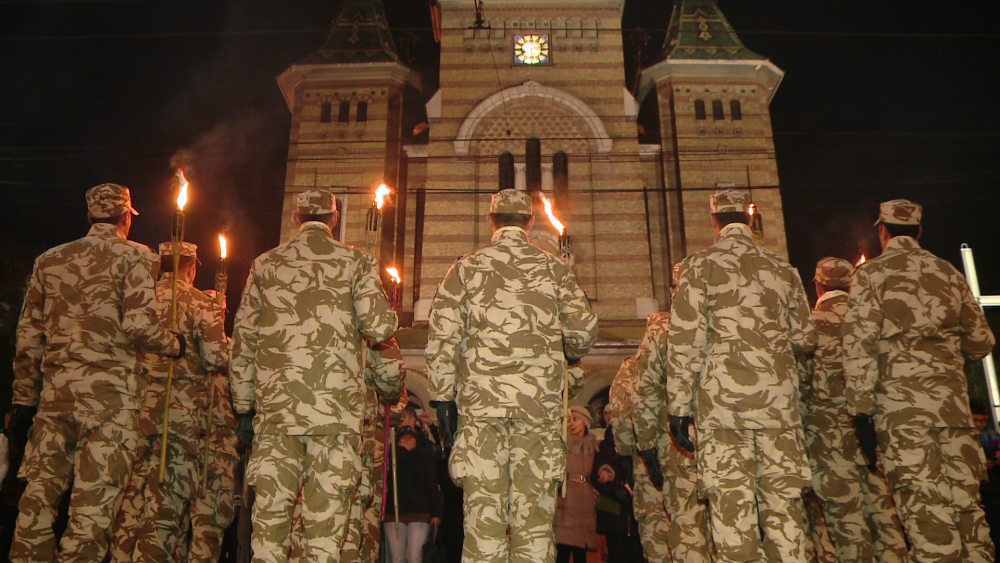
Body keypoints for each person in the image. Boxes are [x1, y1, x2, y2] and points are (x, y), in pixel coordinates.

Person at [8, 183, 186, 563]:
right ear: (126, 218)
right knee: (92, 512)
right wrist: (175, 344)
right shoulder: (137, 257)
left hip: (56, 399)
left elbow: (28, 337)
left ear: (89, 217)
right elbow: (138, 325)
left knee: (37, 501)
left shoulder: (49, 260)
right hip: (109, 402)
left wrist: (24, 399)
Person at [426, 188, 598, 563]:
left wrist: (442, 399)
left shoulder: (465, 269)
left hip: (481, 412)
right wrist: (560, 353)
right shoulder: (554, 268)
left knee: (484, 525)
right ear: (530, 222)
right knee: (534, 526)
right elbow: (583, 332)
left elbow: (442, 339)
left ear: (491, 221)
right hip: (538, 412)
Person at [229, 188, 399, 563]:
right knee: (324, 537)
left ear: (296, 218)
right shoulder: (355, 262)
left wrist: (243, 408)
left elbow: (243, 341)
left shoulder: (265, 265)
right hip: (334, 418)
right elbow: (380, 328)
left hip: (276, 417)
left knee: (270, 534)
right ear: (334, 219)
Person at [666, 189, 817, 563]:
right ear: (749, 221)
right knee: (786, 513)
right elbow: (806, 337)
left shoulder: (698, 266)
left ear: (714, 222)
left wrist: (678, 407)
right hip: (778, 412)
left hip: (723, 412)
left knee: (733, 512)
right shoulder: (783, 269)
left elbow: (685, 342)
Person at [844, 198, 996, 563]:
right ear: (920, 231)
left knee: (926, 514)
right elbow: (981, 341)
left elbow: (859, 349)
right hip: (954, 415)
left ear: (882, 232)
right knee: (968, 513)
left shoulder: (870, 276)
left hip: (904, 417)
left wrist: (861, 413)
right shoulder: (947, 273)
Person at [111, 242, 229, 563]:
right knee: (163, 509)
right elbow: (217, 358)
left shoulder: (138, 299)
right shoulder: (198, 302)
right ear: (191, 268)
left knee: (129, 503)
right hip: (176, 419)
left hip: (135, 413)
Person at [799, 256, 908, 563]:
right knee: (886, 519)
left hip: (827, 440)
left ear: (818, 285)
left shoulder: (809, 325)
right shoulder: (876, 321)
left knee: (846, 525)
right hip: (876, 436)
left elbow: (798, 387)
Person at [631, 261, 711, 563]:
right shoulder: (724, 318)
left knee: (688, 526)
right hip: (728, 437)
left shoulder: (662, 328)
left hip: (678, 446)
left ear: (673, 290)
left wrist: (646, 444)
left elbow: (645, 392)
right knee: (734, 524)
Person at [340, 338, 405, 563]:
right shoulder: (376, 333)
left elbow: (396, 408)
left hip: (363, 445)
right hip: (366, 449)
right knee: (363, 512)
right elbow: (395, 400)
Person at [591, 404, 643, 563]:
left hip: (637, 515)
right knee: (616, 555)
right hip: (614, 515)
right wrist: (616, 489)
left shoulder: (639, 443)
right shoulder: (605, 446)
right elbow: (597, 476)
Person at [383, 425, 444, 563]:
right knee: (397, 557)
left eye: (411, 438)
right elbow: (388, 477)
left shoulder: (424, 457)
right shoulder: (391, 457)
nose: (407, 441)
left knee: (414, 556)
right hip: (394, 513)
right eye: (404, 438)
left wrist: (437, 513)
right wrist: (403, 451)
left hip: (419, 513)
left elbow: (432, 485)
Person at [554, 406, 600, 563]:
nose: (571, 424)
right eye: (569, 420)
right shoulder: (563, 442)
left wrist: (606, 471)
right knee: (564, 549)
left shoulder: (593, 444)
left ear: (584, 422)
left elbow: (599, 465)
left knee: (581, 550)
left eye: (575, 419)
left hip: (585, 501)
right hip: (567, 499)